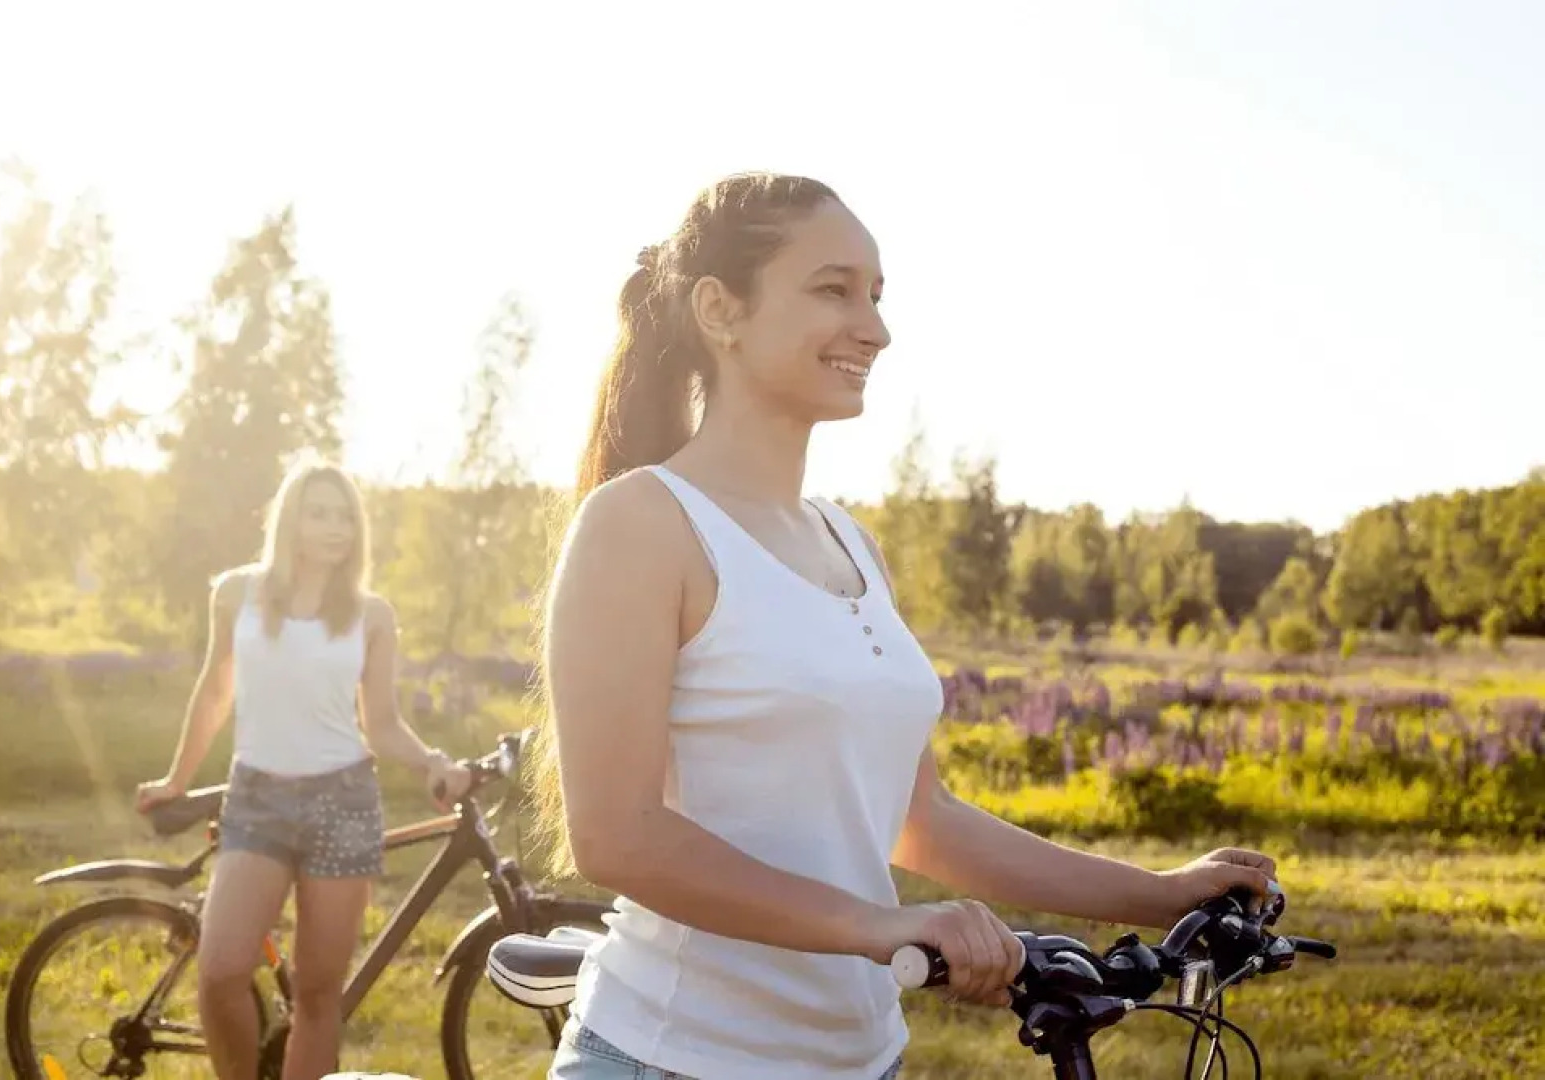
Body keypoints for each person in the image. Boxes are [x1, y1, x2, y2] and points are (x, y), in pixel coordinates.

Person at [528, 172, 1279, 1080]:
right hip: (674, 1057)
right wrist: (884, 927)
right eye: (832, 289)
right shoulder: (640, 522)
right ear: (720, 310)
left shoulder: (850, 542)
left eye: (876, 295)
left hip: (861, 1057)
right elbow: (618, 835)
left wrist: (1156, 894)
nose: (874, 328)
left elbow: (919, 821)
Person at [135, 458, 473, 1080]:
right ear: (291, 518)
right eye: (319, 512)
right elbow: (215, 692)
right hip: (257, 798)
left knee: (319, 995)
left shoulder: (372, 615)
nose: (334, 527)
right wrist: (176, 780)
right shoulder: (237, 593)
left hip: (343, 804)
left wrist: (433, 762)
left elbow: (382, 722)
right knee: (221, 972)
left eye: (345, 515)